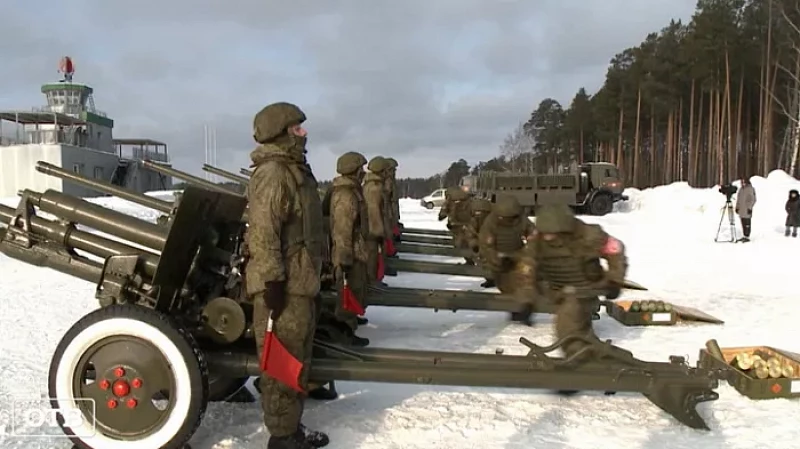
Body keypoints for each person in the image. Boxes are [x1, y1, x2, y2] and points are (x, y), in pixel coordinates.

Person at [245, 102, 329, 449]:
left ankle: (291, 428)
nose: (303, 133)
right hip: (284, 287)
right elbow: (263, 232)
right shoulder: (275, 173)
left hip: (301, 283)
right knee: (281, 364)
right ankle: (281, 438)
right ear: (281, 133)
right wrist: (273, 283)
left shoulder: (294, 171)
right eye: (297, 129)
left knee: (297, 360)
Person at [524, 204, 627, 361]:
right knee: (578, 326)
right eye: (545, 233)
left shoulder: (589, 235)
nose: (547, 238)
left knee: (569, 325)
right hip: (558, 290)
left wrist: (614, 280)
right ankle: (602, 356)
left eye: (552, 234)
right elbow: (527, 265)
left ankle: (576, 362)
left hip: (587, 289)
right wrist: (527, 294)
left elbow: (616, 251)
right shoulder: (537, 240)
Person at [329, 151, 370, 346]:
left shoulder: (352, 191)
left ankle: (351, 320)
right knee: (347, 292)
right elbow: (343, 228)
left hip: (356, 249)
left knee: (355, 289)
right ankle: (345, 331)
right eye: (360, 169)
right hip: (349, 252)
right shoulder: (346, 195)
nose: (363, 172)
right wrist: (344, 258)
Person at [477, 195, 536, 323]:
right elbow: (486, 246)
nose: (507, 220)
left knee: (524, 279)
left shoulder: (521, 220)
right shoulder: (491, 222)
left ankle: (524, 308)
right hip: (498, 258)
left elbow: (534, 236)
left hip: (518, 255)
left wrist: (526, 252)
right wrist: (497, 260)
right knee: (505, 286)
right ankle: (514, 307)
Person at [363, 156, 389, 286]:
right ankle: (371, 282)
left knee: (374, 256)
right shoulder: (374, 187)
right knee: (372, 256)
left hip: (371, 227)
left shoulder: (374, 185)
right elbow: (373, 210)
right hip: (372, 229)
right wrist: (378, 232)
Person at [438, 186, 474, 264]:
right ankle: (470, 259)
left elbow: (443, 211)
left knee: (459, 243)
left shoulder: (450, 199)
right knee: (467, 241)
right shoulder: (467, 198)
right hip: (467, 225)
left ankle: (469, 260)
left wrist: (441, 216)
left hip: (455, 225)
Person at [464, 198, 494, 287]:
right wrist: (474, 244)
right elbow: (470, 233)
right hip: (482, 246)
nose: (478, 214)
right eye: (477, 212)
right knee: (483, 263)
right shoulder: (474, 220)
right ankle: (490, 279)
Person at [384, 157, 403, 237]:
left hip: (392, 217)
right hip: (389, 218)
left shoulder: (392, 181)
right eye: (393, 169)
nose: (394, 171)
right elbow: (387, 201)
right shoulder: (387, 182)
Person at [735, 177, 756, 242]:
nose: (742, 183)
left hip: (747, 209)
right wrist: (737, 207)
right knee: (743, 222)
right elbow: (738, 199)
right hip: (741, 209)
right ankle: (744, 235)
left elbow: (753, 199)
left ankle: (747, 236)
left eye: (744, 182)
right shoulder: (741, 189)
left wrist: (749, 207)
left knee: (747, 223)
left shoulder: (750, 189)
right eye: (741, 182)